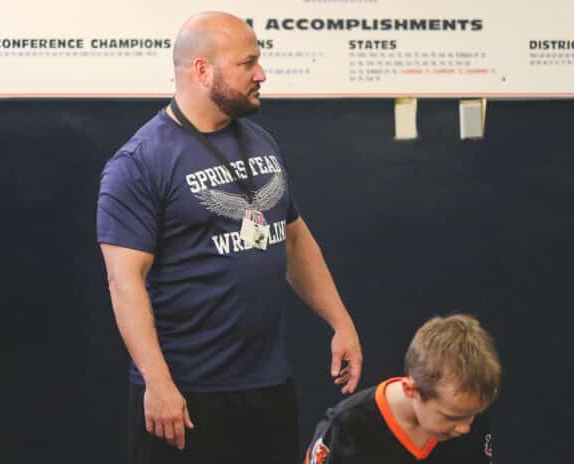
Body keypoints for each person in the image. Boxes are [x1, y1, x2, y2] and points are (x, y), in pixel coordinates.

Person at [97, 11, 362, 464]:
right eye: (248, 63)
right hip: (186, 396)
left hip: (266, 386)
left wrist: (340, 321)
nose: (261, 74)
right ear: (202, 70)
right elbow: (125, 282)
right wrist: (158, 383)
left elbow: (294, 240)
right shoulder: (139, 163)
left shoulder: (261, 142)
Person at [304, 313, 501, 464]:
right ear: (411, 390)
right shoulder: (346, 428)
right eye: (451, 417)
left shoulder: (468, 417)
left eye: (472, 415)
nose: (465, 428)